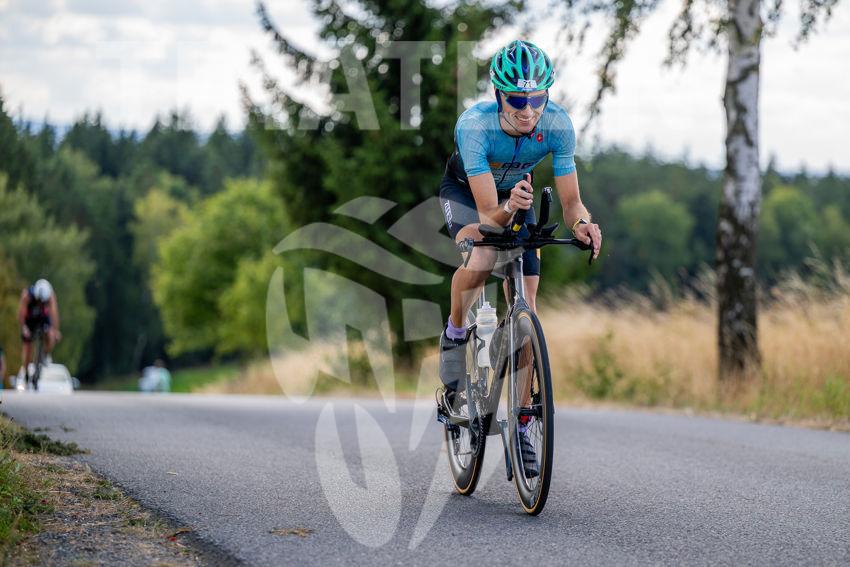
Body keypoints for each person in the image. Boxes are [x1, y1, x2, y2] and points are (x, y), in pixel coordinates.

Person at [437, 40, 603, 474]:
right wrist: (509, 207)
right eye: (516, 100)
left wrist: (582, 223)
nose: (528, 110)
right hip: (470, 197)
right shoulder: (474, 127)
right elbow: (489, 215)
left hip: (518, 196)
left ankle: (523, 424)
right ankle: (455, 333)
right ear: (498, 95)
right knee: (479, 262)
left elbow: (572, 204)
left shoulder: (558, 124)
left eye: (537, 99)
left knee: (528, 310)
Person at [17, 279, 61, 389]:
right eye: (39, 301)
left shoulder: (50, 296)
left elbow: (54, 314)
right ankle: (26, 371)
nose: (41, 303)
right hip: (30, 320)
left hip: (42, 318)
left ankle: (45, 354)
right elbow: (21, 314)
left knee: (50, 334)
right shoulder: (27, 296)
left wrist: (55, 330)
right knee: (27, 347)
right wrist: (24, 328)